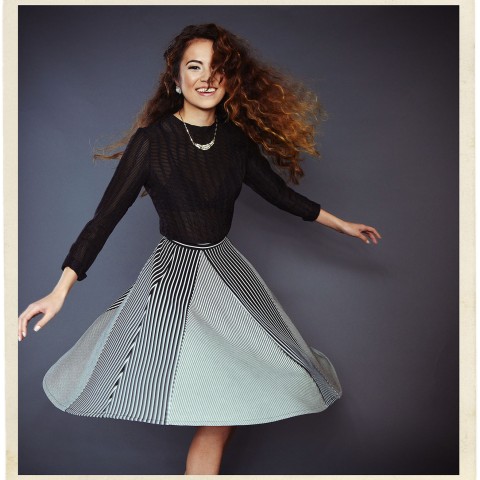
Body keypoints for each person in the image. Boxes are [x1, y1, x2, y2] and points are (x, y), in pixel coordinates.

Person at [18, 23, 382, 475]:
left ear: (230, 80)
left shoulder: (235, 142)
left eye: (218, 68)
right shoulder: (152, 142)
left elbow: (281, 196)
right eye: (195, 67)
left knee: (226, 410)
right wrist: (59, 291)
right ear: (176, 80)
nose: (207, 78)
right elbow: (104, 220)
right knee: (202, 395)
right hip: (173, 283)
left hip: (227, 277)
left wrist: (342, 224)